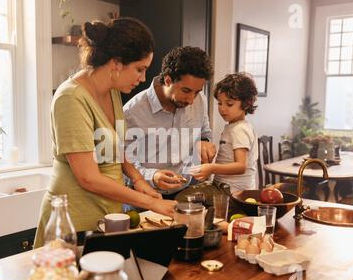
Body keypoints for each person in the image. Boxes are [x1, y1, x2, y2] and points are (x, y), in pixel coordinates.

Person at [34, 18, 177, 248]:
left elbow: (116, 147)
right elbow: (87, 177)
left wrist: (138, 179)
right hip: (73, 221)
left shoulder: (112, 92)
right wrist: (150, 203)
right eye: (139, 69)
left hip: (107, 216)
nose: (142, 79)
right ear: (116, 63)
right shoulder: (70, 98)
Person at [123, 46, 215, 199]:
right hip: (144, 197)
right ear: (167, 80)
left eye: (197, 92)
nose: (192, 100)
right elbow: (121, 164)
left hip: (186, 192)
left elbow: (204, 132)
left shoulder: (200, 101)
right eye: (186, 91)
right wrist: (152, 176)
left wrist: (204, 141)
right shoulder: (131, 112)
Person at [191, 73, 259, 192]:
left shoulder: (240, 129)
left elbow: (240, 166)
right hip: (224, 188)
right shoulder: (233, 126)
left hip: (234, 193)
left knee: (185, 198)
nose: (222, 108)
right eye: (220, 103)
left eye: (229, 104)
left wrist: (211, 168)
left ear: (247, 103)